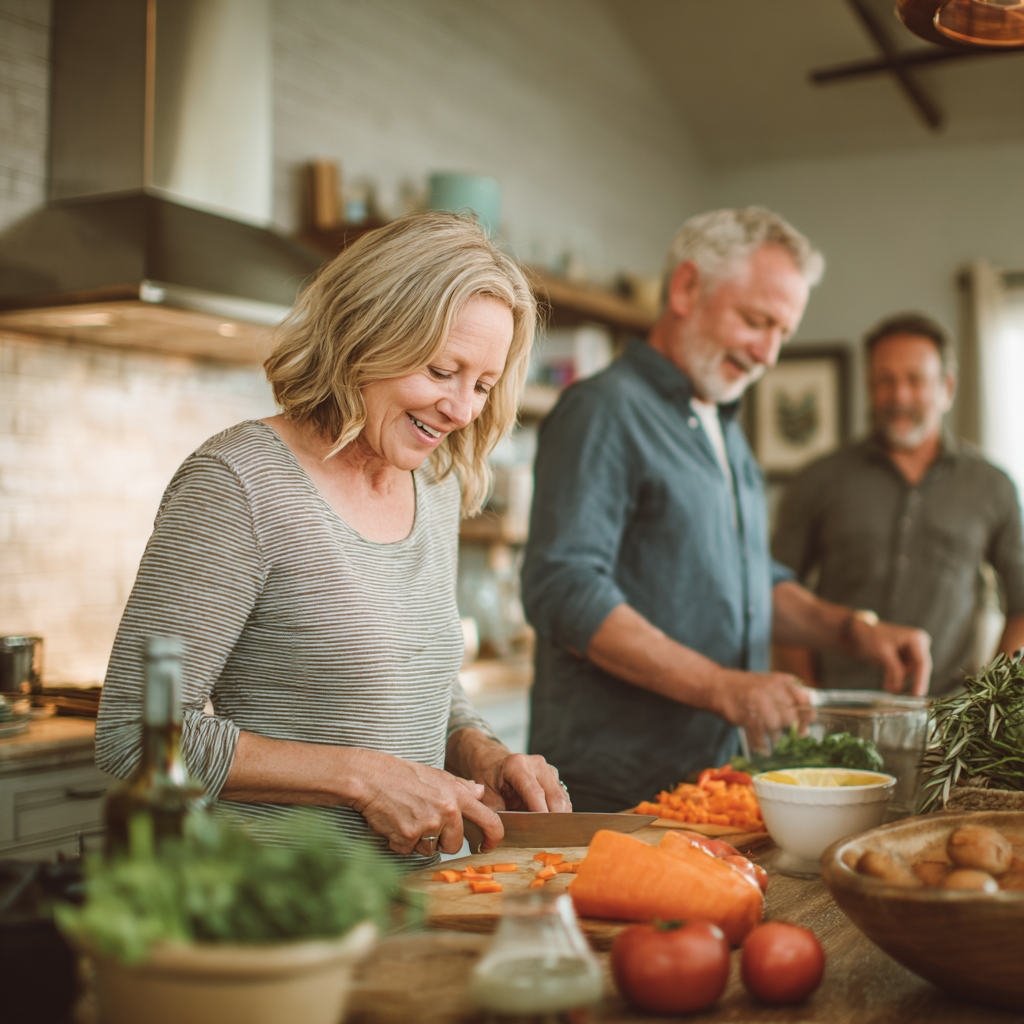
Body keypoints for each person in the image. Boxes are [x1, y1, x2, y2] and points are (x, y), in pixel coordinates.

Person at [96, 212, 570, 864]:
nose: (461, 411)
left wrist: (480, 752)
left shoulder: (430, 482)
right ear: (365, 339)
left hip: (413, 904)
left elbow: (417, 683)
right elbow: (138, 735)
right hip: (272, 910)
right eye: (440, 371)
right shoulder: (237, 482)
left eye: (482, 386)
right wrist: (364, 780)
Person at [521, 207, 932, 813]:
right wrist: (721, 686)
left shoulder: (726, 431)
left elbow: (749, 584)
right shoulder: (602, 409)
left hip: (708, 781)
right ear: (687, 288)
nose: (768, 352)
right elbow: (564, 589)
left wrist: (855, 630)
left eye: (782, 334)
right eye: (756, 321)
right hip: (613, 789)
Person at [773, 313, 1024, 695]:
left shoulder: (992, 486)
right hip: (841, 713)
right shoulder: (818, 479)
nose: (900, 396)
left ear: (947, 388)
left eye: (915, 379)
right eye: (884, 380)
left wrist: (989, 704)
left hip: (947, 719)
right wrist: (810, 700)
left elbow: (1021, 603)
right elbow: (775, 594)